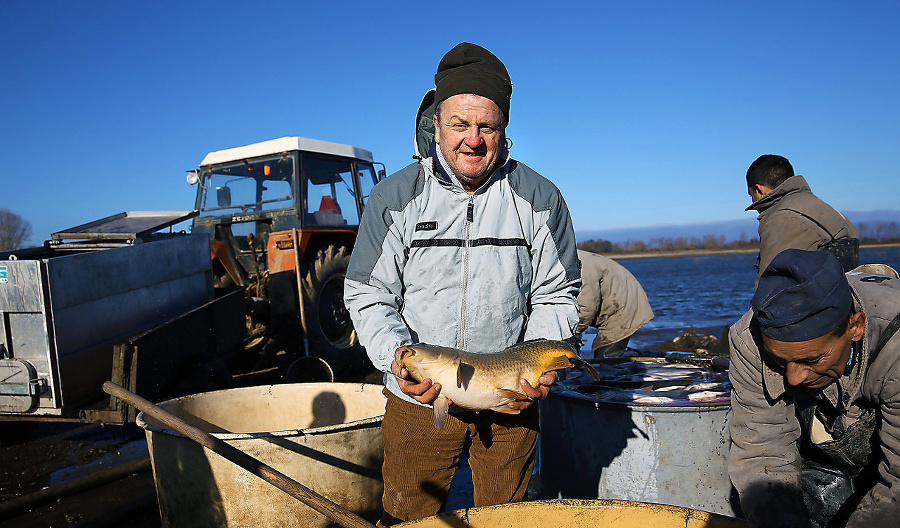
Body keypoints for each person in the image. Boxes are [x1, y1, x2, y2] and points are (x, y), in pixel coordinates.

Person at [343, 42, 580, 526]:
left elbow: (557, 294)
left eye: (487, 126)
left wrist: (540, 362)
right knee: (408, 516)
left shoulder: (540, 198)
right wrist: (397, 359)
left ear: (504, 129)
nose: (472, 140)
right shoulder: (394, 197)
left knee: (507, 518)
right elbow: (368, 294)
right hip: (419, 400)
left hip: (510, 399)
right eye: (459, 124)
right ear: (436, 124)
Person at [728, 249, 900, 527]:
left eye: (812, 359)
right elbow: (762, 452)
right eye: (779, 361)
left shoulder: (896, 346)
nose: (793, 379)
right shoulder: (750, 340)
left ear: (855, 327)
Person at [745, 154, 858, 287]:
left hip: (817, 304)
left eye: (751, 194)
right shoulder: (825, 209)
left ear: (760, 189)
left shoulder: (783, 218)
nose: (752, 200)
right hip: (841, 300)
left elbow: (771, 288)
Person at [575, 249, 653, 358]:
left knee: (606, 359)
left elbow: (586, 308)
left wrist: (571, 335)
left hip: (622, 305)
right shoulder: (560, 259)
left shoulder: (579, 266)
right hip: (609, 301)